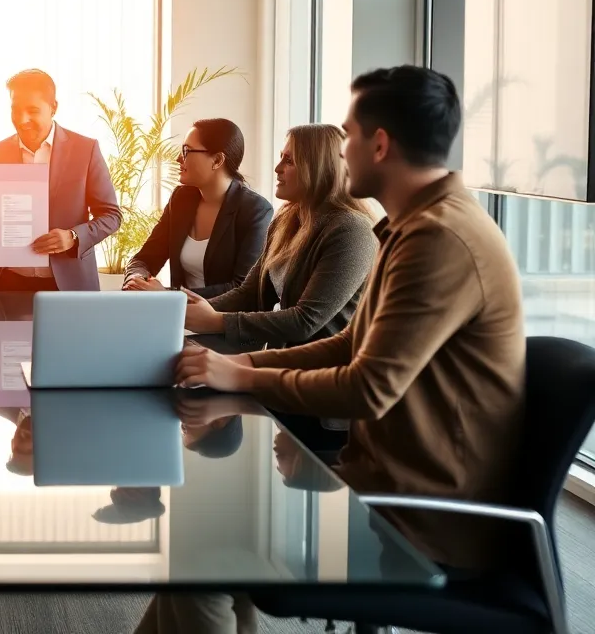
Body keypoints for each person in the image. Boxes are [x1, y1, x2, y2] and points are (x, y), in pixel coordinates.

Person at [151, 66, 526, 632]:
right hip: (381, 478)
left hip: (421, 518)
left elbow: (367, 385)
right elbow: (350, 343)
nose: (341, 151)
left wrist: (245, 378)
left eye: (347, 135)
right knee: (200, 548)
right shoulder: (411, 227)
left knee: (200, 558)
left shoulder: (438, 240)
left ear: (379, 144)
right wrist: (241, 364)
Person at [182, 124, 377, 350]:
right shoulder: (287, 219)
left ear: (319, 168)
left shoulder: (352, 231)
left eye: (289, 161)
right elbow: (251, 294)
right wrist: (186, 310)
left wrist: (216, 321)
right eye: (281, 158)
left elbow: (305, 321)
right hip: (283, 363)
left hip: (326, 373)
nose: (277, 168)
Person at [0, 69, 121, 292]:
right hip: (8, 283)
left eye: (32, 110)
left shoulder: (84, 150)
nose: (22, 120)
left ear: (54, 107)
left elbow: (111, 216)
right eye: (15, 110)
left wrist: (73, 236)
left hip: (68, 284)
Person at [124, 118, 273, 296]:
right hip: (179, 319)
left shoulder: (255, 210)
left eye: (186, 151)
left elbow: (241, 289)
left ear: (217, 160)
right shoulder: (180, 200)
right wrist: (137, 279)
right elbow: (145, 259)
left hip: (223, 320)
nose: (179, 158)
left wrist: (168, 295)